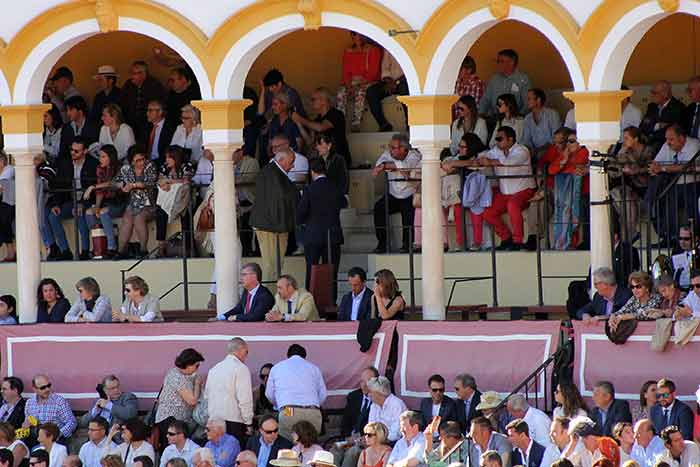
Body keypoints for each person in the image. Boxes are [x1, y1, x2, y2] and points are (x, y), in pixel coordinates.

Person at [479, 126, 536, 251]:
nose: (497, 141)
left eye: (500, 139)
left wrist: (490, 161)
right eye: (496, 139)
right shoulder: (496, 151)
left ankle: (518, 241)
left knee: (513, 205)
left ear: (510, 140)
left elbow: (510, 162)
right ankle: (506, 238)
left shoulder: (522, 150)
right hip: (505, 193)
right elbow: (481, 160)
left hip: (525, 190)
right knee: (487, 212)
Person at [297, 157, 344, 301]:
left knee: (312, 272)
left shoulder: (309, 189)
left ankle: (311, 305)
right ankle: (330, 304)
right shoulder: (335, 187)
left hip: (313, 235)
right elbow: (343, 203)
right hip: (333, 234)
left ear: (312, 172)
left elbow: (300, 214)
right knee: (332, 273)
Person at [250, 149, 298, 282]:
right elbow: (281, 197)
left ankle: (273, 296)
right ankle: (270, 299)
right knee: (272, 265)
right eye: (291, 162)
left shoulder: (273, 172)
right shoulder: (272, 174)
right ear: (281, 160)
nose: (293, 166)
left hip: (273, 226)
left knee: (275, 265)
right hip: (270, 227)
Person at [46, 137, 98, 260]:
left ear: (85, 151)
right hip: (70, 201)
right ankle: (65, 251)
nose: (72, 153)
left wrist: (81, 203)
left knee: (78, 213)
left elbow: (95, 188)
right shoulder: (66, 164)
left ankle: (85, 251)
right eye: (71, 150)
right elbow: (59, 185)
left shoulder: (93, 164)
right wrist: (57, 204)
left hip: (87, 201)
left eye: (76, 151)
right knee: (52, 216)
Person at [648, 125, 700, 243]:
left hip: (692, 183)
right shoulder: (667, 145)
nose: (668, 143)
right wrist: (657, 168)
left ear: (681, 138)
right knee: (663, 203)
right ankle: (668, 236)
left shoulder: (694, 144)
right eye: (667, 139)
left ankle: (694, 236)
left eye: (671, 139)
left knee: (691, 206)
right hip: (672, 184)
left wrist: (664, 168)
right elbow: (655, 164)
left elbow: (687, 168)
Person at [372, 134, 421, 253]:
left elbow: (406, 167)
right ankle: (382, 244)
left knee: (408, 215)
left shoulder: (413, 155)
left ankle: (407, 245)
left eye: (394, 147)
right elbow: (379, 165)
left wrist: (387, 165)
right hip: (393, 195)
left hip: (410, 195)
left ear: (404, 149)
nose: (390, 150)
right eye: (391, 147)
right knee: (378, 208)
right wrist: (386, 166)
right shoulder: (388, 154)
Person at [265, 344, 326, 439]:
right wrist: (314, 405)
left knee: (288, 446)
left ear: (288, 355)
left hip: (289, 410)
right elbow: (323, 394)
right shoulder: (314, 368)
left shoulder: (277, 367)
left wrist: (279, 405)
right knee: (310, 446)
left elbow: (269, 394)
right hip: (312, 411)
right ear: (304, 357)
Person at [113, 145, 159, 259]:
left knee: (139, 218)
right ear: (132, 162)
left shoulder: (150, 166)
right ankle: (121, 251)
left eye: (143, 159)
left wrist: (133, 185)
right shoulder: (126, 169)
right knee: (126, 220)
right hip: (133, 204)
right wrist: (122, 187)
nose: (141, 162)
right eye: (138, 160)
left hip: (150, 204)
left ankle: (143, 250)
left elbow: (150, 182)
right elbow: (115, 182)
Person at [547, 129, 590, 250]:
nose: (568, 145)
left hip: (585, 192)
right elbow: (551, 170)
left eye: (571, 141)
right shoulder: (565, 154)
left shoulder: (584, 152)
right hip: (567, 195)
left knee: (580, 213)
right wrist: (563, 161)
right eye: (567, 142)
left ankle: (580, 242)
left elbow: (578, 168)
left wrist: (566, 168)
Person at [610, 126, 654, 242]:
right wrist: (620, 154)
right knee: (626, 202)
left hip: (644, 187)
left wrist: (634, 169)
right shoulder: (624, 151)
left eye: (627, 138)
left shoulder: (648, 150)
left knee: (628, 204)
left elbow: (649, 168)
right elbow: (612, 171)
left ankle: (626, 238)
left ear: (636, 139)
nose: (624, 141)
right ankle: (629, 236)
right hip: (629, 188)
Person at [205, 338, 253, 441]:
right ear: (241, 349)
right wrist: (248, 422)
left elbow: (207, 396)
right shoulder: (241, 368)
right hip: (233, 421)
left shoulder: (213, 369)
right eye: (246, 351)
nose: (246, 355)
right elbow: (245, 399)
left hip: (214, 420)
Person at [331, 368, 380, 467]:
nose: (364, 385)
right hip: (350, 439)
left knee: (352, 452)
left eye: (368, 381)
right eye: (362, 381)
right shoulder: (354, 396)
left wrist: (361, 438)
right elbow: (345, 422)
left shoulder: (379, 399)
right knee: (335, 449)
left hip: (364, 441)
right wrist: (347, 436)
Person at [292, 88, 351, 167]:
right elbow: (310, 142)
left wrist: (300, 119)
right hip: (323, 160)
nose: (311, 102)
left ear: (323, 101)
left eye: (313, 99)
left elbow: (321, 127)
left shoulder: (336, 114)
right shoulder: (316, 120)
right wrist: (298, 123)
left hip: (338, 160)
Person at [336, 32, 381, 132]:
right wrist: (349, 86)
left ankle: (356, 122)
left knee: (360, 92)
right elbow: (346, 71)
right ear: (352, 36)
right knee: (341, 93)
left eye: (361, 34)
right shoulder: (348, 51)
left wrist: (360, 84)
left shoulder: (373, 50)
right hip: (352, 82)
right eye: (355, 34)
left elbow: (373, 72)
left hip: (368, 81)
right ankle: (339, 122)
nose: (358, 37)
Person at [154, 145, 194, 258]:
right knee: (160, 213)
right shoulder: (164, 167)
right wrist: (163, 184)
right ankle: (161, 246)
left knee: (186, 215)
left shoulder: (186, 166)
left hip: (183, 199)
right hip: (168, 197)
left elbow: (186, 181)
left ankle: (187, 248)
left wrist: (169, 181)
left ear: (176, 157)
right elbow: (160, 180)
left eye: (169, 157)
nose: (167, 160)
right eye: (166, 157)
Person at [83, 145, 122, 258]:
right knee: (89, 213)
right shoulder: (100, 169)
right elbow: (100, 192)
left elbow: (112, 183)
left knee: (104, 212)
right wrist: (97, 207)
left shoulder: (120, 168)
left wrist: (92, 187)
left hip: (119, 201)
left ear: (111, 157)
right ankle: (98, 245)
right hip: (107, 202)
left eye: (103, 156)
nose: (100, 159)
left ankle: (111, 247)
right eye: (100, 156)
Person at [155, 348, 205, 433]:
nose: (197, 369)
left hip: (179, 421)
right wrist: (197, 384)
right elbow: (192, 401)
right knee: (173, 446)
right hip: (170, 420)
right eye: (197, 366)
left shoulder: (183, 375)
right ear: (189, 364)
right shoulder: (177, 376)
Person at [120, 61, 167, 144]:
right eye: (132, 73)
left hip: (148, 123)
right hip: (131, 122)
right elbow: (123, 103)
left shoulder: (154, 85)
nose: (132, 76)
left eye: (134, 73)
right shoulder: (128, 85)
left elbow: (159, 106)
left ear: (143, 74)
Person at [479, 49, 531, 117]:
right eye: (498, 61)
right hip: (495, 118)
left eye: (501, 61)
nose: (498, 64)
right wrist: (481, 114)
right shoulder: (494, 79)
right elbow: (485, 99)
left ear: (511, 62)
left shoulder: (522, 79)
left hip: (515, 119)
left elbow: (527, 104)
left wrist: (518, 117)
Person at [23, 374, 76, 439]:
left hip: (54, 440)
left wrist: (57, 435)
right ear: (35, 389)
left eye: (49, 385)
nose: (47, 389)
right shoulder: (29, 403)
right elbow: (27, 422)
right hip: (35, 438)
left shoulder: (59, 401)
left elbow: (72, 422)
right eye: (43, 388)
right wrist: (26, 425)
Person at [639, 81, 684, 151]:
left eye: (654, 93)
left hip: (666, 147)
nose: (651, 95)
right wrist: (657, 126)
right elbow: (642, 126)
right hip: (648, 145)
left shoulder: (678, 108)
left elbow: (671, 132)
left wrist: (651, 132)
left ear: (665, 94)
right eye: (651, 92)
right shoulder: (652, 106)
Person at [521, 88, 561, 158]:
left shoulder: (552, 114)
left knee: (541, 154)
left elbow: (557, 138)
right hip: (535, 151)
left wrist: (541, 149)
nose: (527, 101)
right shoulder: (527, 118)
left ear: (538, 100)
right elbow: (526, 140)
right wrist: (530, 150)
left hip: (552, 149)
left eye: (529, 99)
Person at [57, 96, 99, 162]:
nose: (68, 113)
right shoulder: (66, 128)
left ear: (80, 111)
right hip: (69, 165)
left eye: (70, 110)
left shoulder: (93, 127)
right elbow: (62, 152)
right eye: (67, 110)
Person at [367, 376, 407, 443]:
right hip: (376, 442)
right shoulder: (374, 405)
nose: (368, 394)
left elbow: (395, 434)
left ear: (379, 393)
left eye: (370, 392)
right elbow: (370, 428)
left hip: (394, 443)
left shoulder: (397, 404)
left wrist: (377, 441)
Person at [311, 133, 348, 198]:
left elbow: (344, 181)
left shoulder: (339, 160)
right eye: (316, 145)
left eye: (320, 144)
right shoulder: (315, 161)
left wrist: (339, 196)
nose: (317, 147)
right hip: (320, 197)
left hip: (336, 196)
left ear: (329, 145)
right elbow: (313, 182)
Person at [145, 100, 176, 166]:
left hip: (161, 163)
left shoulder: (170, 128)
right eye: (147, 110)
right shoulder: (146, 126)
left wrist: (152, 163)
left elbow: (167, 152)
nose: (147, 113)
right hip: (146, 161)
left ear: (160, 112)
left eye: (150, 110)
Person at [0, 153, 15, 263]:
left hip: (11, 202)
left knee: (4, 220)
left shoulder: (9, 169)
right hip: (4, 203)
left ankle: (11, 252)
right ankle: (10, 252)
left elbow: (2, 185)